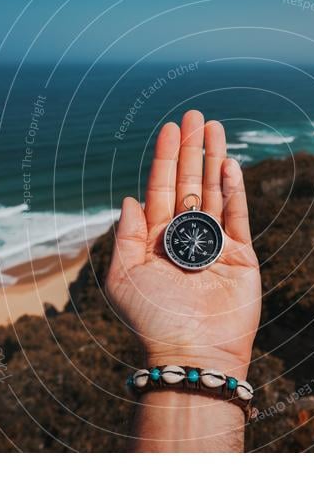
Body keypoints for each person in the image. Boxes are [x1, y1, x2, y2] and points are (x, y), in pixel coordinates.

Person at [106, 110, 262, 452]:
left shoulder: (195, 238)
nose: (192, 245)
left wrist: (206, 358)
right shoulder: (195, 237)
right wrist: (210, 360)